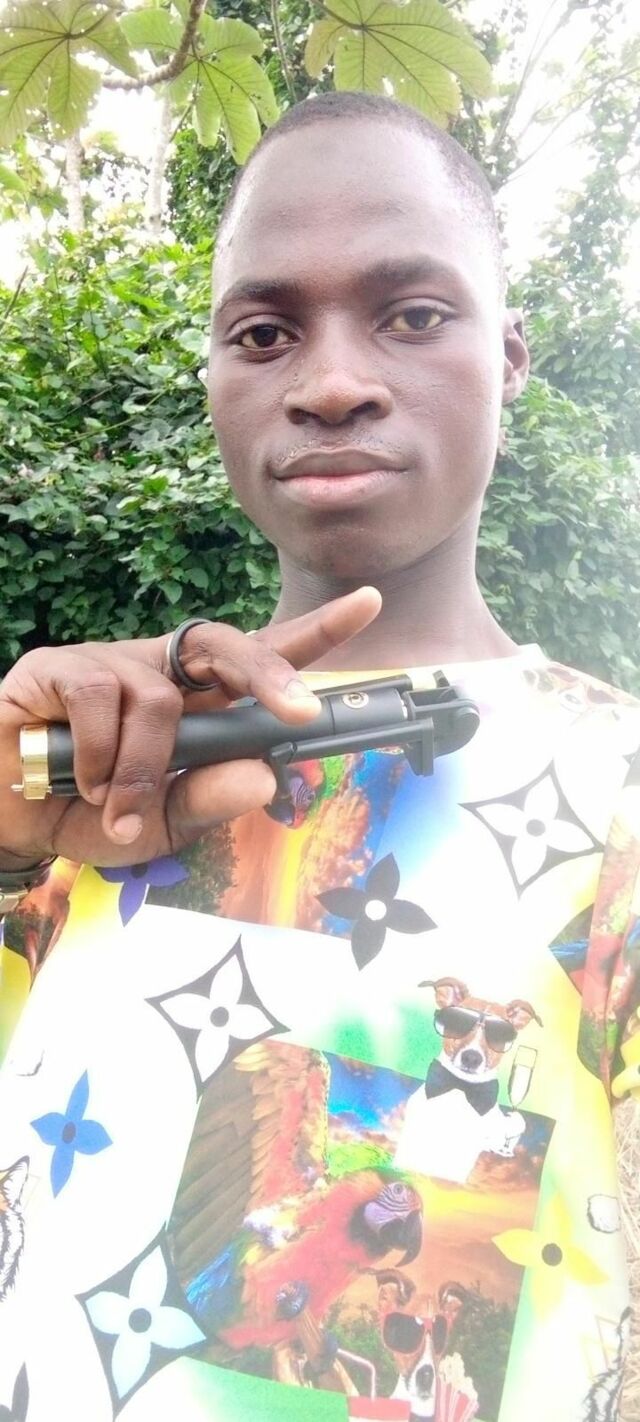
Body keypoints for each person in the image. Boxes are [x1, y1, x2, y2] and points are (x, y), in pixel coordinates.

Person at [0, 91, 638, 1422]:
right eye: (264, 332)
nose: (333, 381)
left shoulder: (619, 791)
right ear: (214, 382)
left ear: (511, 356)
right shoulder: (83, 774)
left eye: (413, 314)